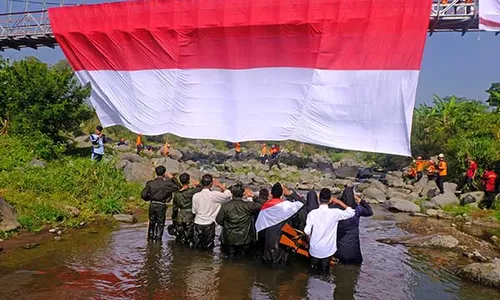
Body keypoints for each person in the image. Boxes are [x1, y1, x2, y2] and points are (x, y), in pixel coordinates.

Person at [304, 188, 355, 271]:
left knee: (313, 272)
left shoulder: (312, 213)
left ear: (319, 198)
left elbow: (307, 231)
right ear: (330, 199)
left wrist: (309, 241)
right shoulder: (335, 213)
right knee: (325, 272)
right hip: (327, 250)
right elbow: (352, 212)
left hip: (314, 249)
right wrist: (339, 202)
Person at [255, 183, 304, 264]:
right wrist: (291, 193)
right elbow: (302, 203)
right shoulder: (286, 206)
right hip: (282, 241)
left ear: (271, 193)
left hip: (267, 242)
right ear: (282, 193)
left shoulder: (265, 207)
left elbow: (259, 226)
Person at [216, 183, 262, 256]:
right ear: (243, 193)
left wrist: (228, 225)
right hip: (245, 238)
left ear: (232, 193)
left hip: (229, 237)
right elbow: (262, 204)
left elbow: (218, 220)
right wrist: (253, 196)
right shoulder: (248, 205)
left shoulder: (225, 206)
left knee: (228, 260)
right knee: (243, 260)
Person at [334, 186, 373, 264]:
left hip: (340, 250)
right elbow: (369, 212)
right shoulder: (357, 209)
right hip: (354, 250)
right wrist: (361, 200)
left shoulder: (336, 209)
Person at [192, 174, 232, 250]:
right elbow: (228, 195)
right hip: (209, 224)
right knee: (208, 247)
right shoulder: (214, 195)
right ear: (211, 183)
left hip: (197, 222)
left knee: (197, 246)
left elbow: (194, 211)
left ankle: (195, 260)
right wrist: (220, 185)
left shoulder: (196, 195)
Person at [141, 165, 180, 241]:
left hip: (152, 204)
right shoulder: (167, 184)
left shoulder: (150, 183)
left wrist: (149, 199)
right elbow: (178, 187)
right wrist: (172, 178)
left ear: (156, 173)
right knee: (160, 223)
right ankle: (158, 240)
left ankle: (150, 239)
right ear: (164, 174)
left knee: (152, 222)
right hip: (161, 205)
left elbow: (143, 194)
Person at [172, 173, 201, 246]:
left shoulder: (177, 194)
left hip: (180, 216)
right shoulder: (192, 191)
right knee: (189, 237)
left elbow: (175, 209)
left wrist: (174, 219)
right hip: (190, 216)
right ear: (188, 181)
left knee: (180, 237)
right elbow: (203, 189)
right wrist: (198, 184)